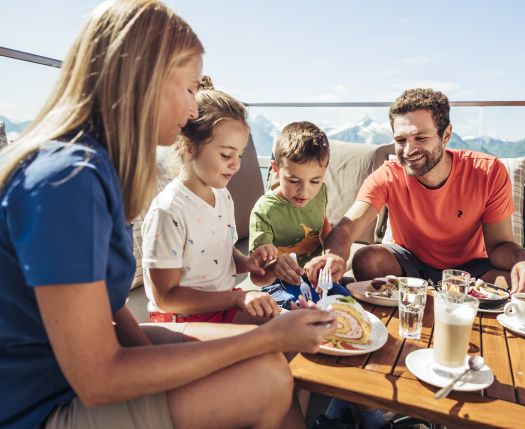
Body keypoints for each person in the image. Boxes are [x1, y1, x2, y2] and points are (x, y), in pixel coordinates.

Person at [0, 2, 336, 429]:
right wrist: (266, 335)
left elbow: (109, 302)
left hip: (77, 369)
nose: (195, 110)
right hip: (38, 404)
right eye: (191, 89)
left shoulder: (97, 168)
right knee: (267, 375)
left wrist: (153, 355)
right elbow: (98, 379)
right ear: (146, 79)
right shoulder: (67, 182)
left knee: (267, 358)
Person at [305, 88, 525, 296]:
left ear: (446, 135)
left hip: (471, 269)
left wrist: (524, 259)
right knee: (367, 260)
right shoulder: (388, 175)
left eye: (421, 138)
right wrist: (334, 255)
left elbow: (499, 246)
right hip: (410, 263)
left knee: (520, 287)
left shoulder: (488, 171)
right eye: (401, 140)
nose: (409, 150)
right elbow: (347, 228)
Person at [142, 76, 281, 324]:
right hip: (183, 320)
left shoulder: (222, 196)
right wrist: (236, 299)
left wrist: (250, 263)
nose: (236, 164)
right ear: (188, 146)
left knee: (292, 326)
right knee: (275, 341)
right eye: (227, 154)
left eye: (239, 155)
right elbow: (166, 298)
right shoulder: (168, 211)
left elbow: (222, 257)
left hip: (221, 306)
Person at [249, 121, 350, 309]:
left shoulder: (321, 192)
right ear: (277, 170)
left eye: (315, 180)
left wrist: (329, 256)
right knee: (299, 308)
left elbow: (323, 225)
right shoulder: (264, 210)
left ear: (325, 171)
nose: (304, 191)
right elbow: (257, 276)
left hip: (317, 279)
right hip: (279, 284)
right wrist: (273, 266)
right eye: (294, 180)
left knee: (346, 303)